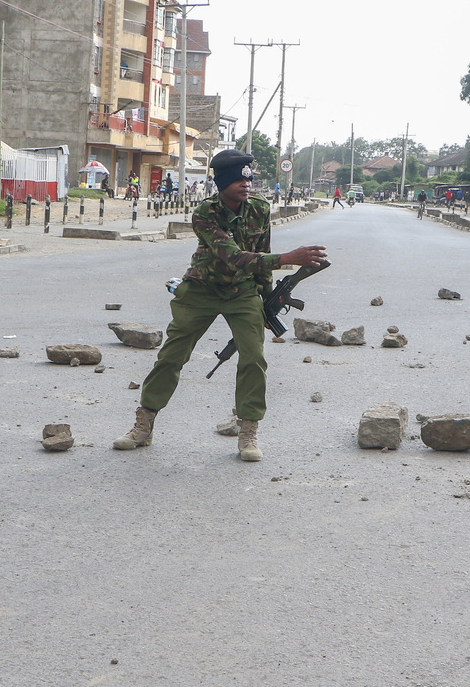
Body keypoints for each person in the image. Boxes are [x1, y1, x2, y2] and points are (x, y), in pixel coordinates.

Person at [112, 149, 326, 463]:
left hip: (242, 293)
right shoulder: (205, 213)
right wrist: (288, 259)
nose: (246, 183)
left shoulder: (259, 208)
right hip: (202, 289)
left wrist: (268, 302)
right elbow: (235, 257)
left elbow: (259, 257)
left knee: (253, 357)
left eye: (249, 178)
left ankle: (248, 430)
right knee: (172, 356)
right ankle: (144, 424)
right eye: (239, 178)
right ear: (222, 181)